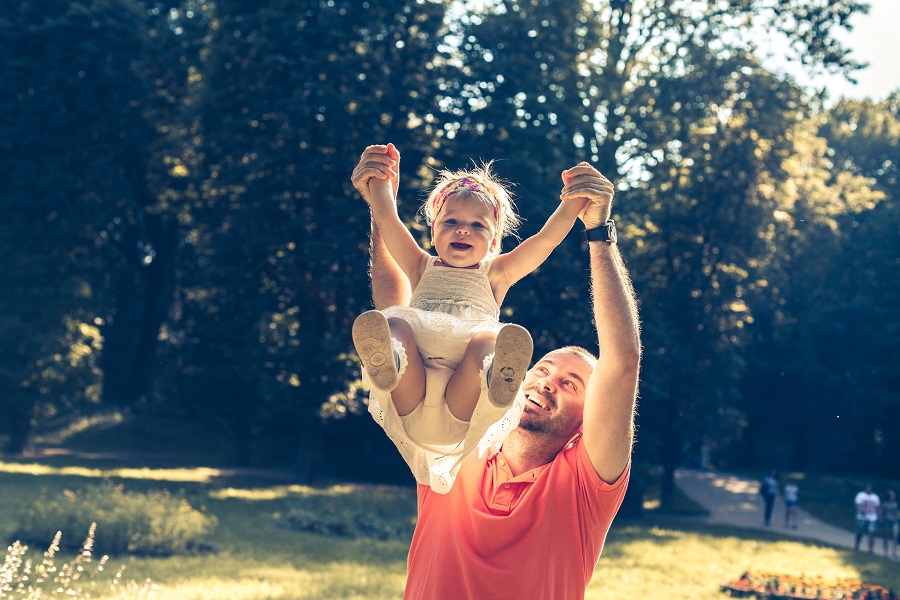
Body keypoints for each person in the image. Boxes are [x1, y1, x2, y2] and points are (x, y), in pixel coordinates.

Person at [354, 145, 641, 599]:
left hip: (471, 386)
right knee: (395, 328)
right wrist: (378, 197)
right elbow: (394, 310)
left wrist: (594, 228)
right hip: (435, 399)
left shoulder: (584, 485)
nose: (546, 380)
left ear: (591, 418)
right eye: (543, 369)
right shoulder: (451, 458)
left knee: (490, 341)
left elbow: (622, 366)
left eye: (571, 383)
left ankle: (492, 355)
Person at [351, 143, 590, 492]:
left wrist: (572, 204)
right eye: (451, 222)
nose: (463, 230)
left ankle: (498, 378)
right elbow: (387, 220)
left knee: (488, 340)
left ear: (494, 243)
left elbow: (545, 240)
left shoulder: (496, 273)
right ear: (433, 232)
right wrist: (381, 184)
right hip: (411, 396)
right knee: (394, 324)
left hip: (460, 408)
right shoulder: (420, 266)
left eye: (478, 225)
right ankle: (390, 360)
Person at [854, 483, 881, 552]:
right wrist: (860, 511)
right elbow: (857, 504)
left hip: (872, 517)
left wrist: (880, 517)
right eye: (868, 487)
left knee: (871, 533)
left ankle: (870, 549)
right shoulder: (860, 495)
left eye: (870, 488)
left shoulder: (875, 497)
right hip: (861, 517)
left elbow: (878, 507)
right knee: (860, 532)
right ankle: (857, 545)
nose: (869, 489)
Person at [881, 489, 898, 558]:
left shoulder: (896, 503)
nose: (892, 496)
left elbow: (897, 512)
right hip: (887, 519)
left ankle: (893, 552)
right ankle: (886, 552)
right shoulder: (885, 503)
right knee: (886, 536)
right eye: (891, 495)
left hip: (894, 520)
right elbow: (882, 511)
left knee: (895, 536)